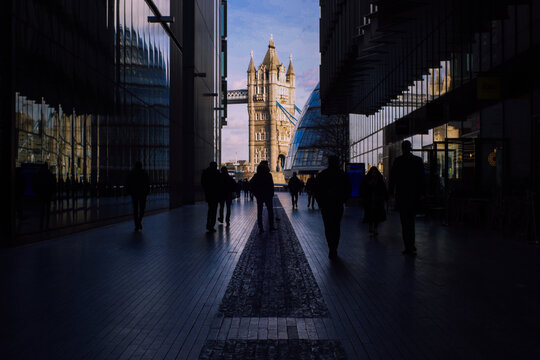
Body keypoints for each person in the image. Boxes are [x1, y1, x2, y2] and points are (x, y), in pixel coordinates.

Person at [389, 140, 425, 255]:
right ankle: (412, 244)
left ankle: (407, 245)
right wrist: (422, 194)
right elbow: (421, 179)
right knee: (411, 221)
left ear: (402, 148)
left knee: (405, 222)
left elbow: (393, 179)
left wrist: (390, 193)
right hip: (414, 196)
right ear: (410, 148)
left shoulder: (398, 161)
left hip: (402, 196)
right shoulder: (417, 161)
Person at [315, 156, 352, 259]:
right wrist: (343, 200)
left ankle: (331, 247)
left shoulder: (322, 175)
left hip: (326, 206)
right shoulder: (343, 175)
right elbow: (348, 189)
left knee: (328, 227)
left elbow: (317, 191)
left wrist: (320, 203)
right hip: (337, 205)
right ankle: (335, 247)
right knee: (336, 226)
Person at [359, 166, 388, 236]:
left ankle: (373, 228)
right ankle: (372, 227)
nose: (374, 174)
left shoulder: (368, 180)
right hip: (372, 200)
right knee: (373, 215)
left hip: (375, 201)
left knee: (374, 215)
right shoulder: (379, 180)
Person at [250, 161, 275, 232]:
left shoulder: (256, 175)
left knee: (260, 212)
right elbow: (271, 185)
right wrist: (271, 194)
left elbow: (251, 184)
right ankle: (271, 226)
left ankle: (260, 227)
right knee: (270, 211)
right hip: (268, 195)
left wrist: (255, 193)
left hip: (260, 195)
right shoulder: (269, 175)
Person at [126, 161, 150, 231]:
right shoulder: (144, 173)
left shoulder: (132, 173)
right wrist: (147, 191)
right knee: (142, 208)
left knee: (135, 209)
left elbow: (128, 183)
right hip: (142, 193)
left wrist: (129, 191)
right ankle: (139, 221)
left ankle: (137, 224)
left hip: (134, 193)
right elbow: (147, 183)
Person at [33, 163, 56, 230]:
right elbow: (53, 185)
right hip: (48, 195)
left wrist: (37, 192)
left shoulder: (39, 174)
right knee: (47, 210)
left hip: (41, 194)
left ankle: (41, 224)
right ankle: (47, 225)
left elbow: (35, 184)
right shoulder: (49, 174)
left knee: (42, 210)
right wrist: (52, 193)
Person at [201, 161, 221, 232]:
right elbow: (219, 184)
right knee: (214, 210)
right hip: (215, 194)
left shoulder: (206, 172)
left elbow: (203, 183)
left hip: (209, 194)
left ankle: (208, 224)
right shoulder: (217, 173)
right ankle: (211, 225)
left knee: (210, 210)